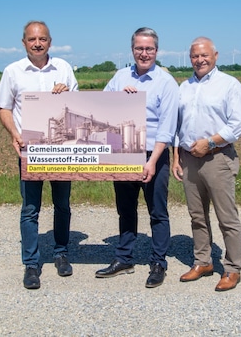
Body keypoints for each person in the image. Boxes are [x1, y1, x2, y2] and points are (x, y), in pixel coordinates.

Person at [0, 20, 78, 289]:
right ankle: (31, 264)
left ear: (50, 42)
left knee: (62, 204)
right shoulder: (13, 72)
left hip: (61, 150)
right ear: (24, 42)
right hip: (30, 151)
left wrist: (67, 94)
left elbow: (78, 105)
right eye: (32, 40)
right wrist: (14, 134)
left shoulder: (64, 68)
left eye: (42, 39)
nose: (37, 43)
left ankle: (61, 253)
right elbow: (4, 108)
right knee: (30, 209)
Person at [95, 27, 179, 288]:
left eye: (149, 48)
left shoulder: (166, 82)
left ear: (156, 50)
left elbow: (167, 126)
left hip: (154, 153)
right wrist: (119, 99)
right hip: (124, 151)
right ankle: (124, 258)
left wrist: (153, 161)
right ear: (132, 50)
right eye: (139, 48)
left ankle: (158, 262)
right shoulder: (120, 77)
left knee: (157, 211)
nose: (144, 53)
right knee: (125, 208)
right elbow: (98, 107)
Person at [172, 36, 241, 292]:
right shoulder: (184, 87)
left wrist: (211, 143)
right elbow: (177, 126)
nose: (200, 60)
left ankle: (232, 268)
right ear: (190, 58)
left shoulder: (229, 85)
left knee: (226, 216)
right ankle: (203, 261)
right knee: (197, 216)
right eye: (195, 56)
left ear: (215, 56)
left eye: (204, 55)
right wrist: (176, 156)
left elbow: (238, 124)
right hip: (189, 159)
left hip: (218, 158)